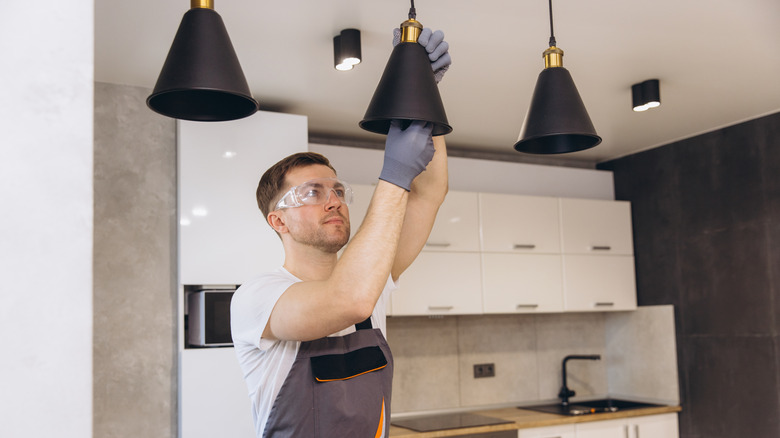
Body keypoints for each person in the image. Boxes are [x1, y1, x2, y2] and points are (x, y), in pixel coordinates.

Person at [230, 29, 452, 438]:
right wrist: (396, 173)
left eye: (336, 190)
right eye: (312, 193)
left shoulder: (371, 281)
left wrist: (422, 97)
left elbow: (428, 194)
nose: (333, 200)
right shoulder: (257, 298)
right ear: (278, 221)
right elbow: (346, 300)